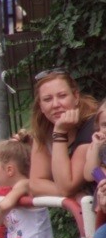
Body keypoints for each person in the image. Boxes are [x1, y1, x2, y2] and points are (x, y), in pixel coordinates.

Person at [27, 69, 97, 200]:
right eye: (47, 99)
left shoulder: (94, 125)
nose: (55, 104)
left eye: (62, 96)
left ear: (76, 97)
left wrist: (59, 133)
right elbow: (35, 184)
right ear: (40, 106)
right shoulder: (44, 129)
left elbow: (67, 186)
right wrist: (75, 196)